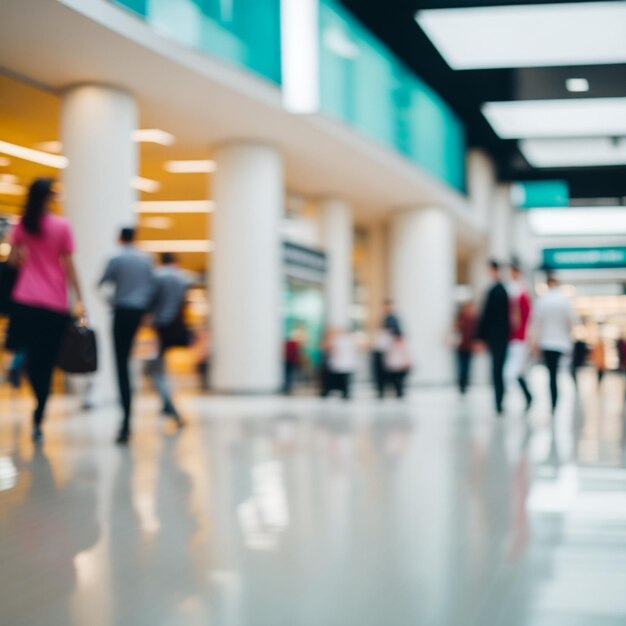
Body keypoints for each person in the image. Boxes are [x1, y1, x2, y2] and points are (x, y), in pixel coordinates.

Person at [6, 178, 84, 443]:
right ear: (49, 197)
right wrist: (80, 299)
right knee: (48, 361)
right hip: (53, 302)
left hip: (25, 300)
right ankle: (40, 412)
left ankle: (32, 391)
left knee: (29, 357)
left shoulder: (22, 225)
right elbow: (70, 266)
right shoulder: (62, 226)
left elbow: (13, 260)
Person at [99, 227, 155, 444]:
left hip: (121, 314)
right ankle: (128, 418)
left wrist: (112, 302)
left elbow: (101, 284)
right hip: (138, 316)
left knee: (121, 366)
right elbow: (153, 287)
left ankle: (126, 422)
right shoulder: (146, 260)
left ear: (120, 238)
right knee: (131, 364)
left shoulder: (116, 258)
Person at [149, 252, 191, 427]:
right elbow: (185, 302)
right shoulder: (183, 277)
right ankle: (167, 403)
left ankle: (169, 404)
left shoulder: (157, 276)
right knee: (163, 368)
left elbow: (151, 299)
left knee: (156, 369)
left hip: (162, 326)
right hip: (177, 326)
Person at [532, 273, 576, 415]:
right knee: (557, 373)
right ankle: (556, 400)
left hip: (546, 342)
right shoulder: (564, 301)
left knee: (551, 374)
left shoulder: (543, 301)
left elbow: (537, 323)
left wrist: (535, 342)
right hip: (561, 343)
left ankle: (554, 402)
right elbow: (571, 322)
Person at [476, 260, 510, 415]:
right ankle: (499, 400)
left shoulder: (495, 291)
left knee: (497, 370)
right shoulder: (504, 290)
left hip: (496, 337)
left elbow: (486, 316)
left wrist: (480, 337)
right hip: (503, 336)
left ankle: (499, 402)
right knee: (499, 370)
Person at [504, 261, 533, 411]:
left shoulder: (520, 292)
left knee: (512, 371)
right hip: (514, 337)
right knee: (517, 370)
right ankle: (528, 396)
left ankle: (524, 396)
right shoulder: (514, 290)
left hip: (518, 337)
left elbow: (523, 317)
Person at [322, 328, 357, 399]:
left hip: (343, 363)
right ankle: (344, 393)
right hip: (341, 364)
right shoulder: (342, 340)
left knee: (343, 381)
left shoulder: (341, 340)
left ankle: (344, 393)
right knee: (342, 381)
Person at [453, 301, 477, 395]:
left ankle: (465, 384)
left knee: (467, 367)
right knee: (461, 367)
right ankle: (461, 385)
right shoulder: (460, 318)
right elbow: (455, 329)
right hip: (461, 346)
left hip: (468, 346)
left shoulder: (473, 319)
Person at [383, 328, 411, 398]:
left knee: (401, 381)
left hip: (402, 366)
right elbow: (388, 355)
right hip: (393, 366)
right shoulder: (390, 344)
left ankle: (400, 392)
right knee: (395, 381)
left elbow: (407, 354)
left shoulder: (404, 344)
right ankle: (398, 392)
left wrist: (407, 363)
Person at [371, 326, 392, 399]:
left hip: (384, 357)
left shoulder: (385, 335)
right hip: (380, 357)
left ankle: (384, 390)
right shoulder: (378, 335)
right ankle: (381, 391)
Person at [283, 330, 302, 395]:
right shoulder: (294, 344)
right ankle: (288, 388)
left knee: (288, 375)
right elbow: (297, 353)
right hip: (290, 361)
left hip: (288, 361)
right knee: (290, 375)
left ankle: (287, 388)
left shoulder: (288, 343)